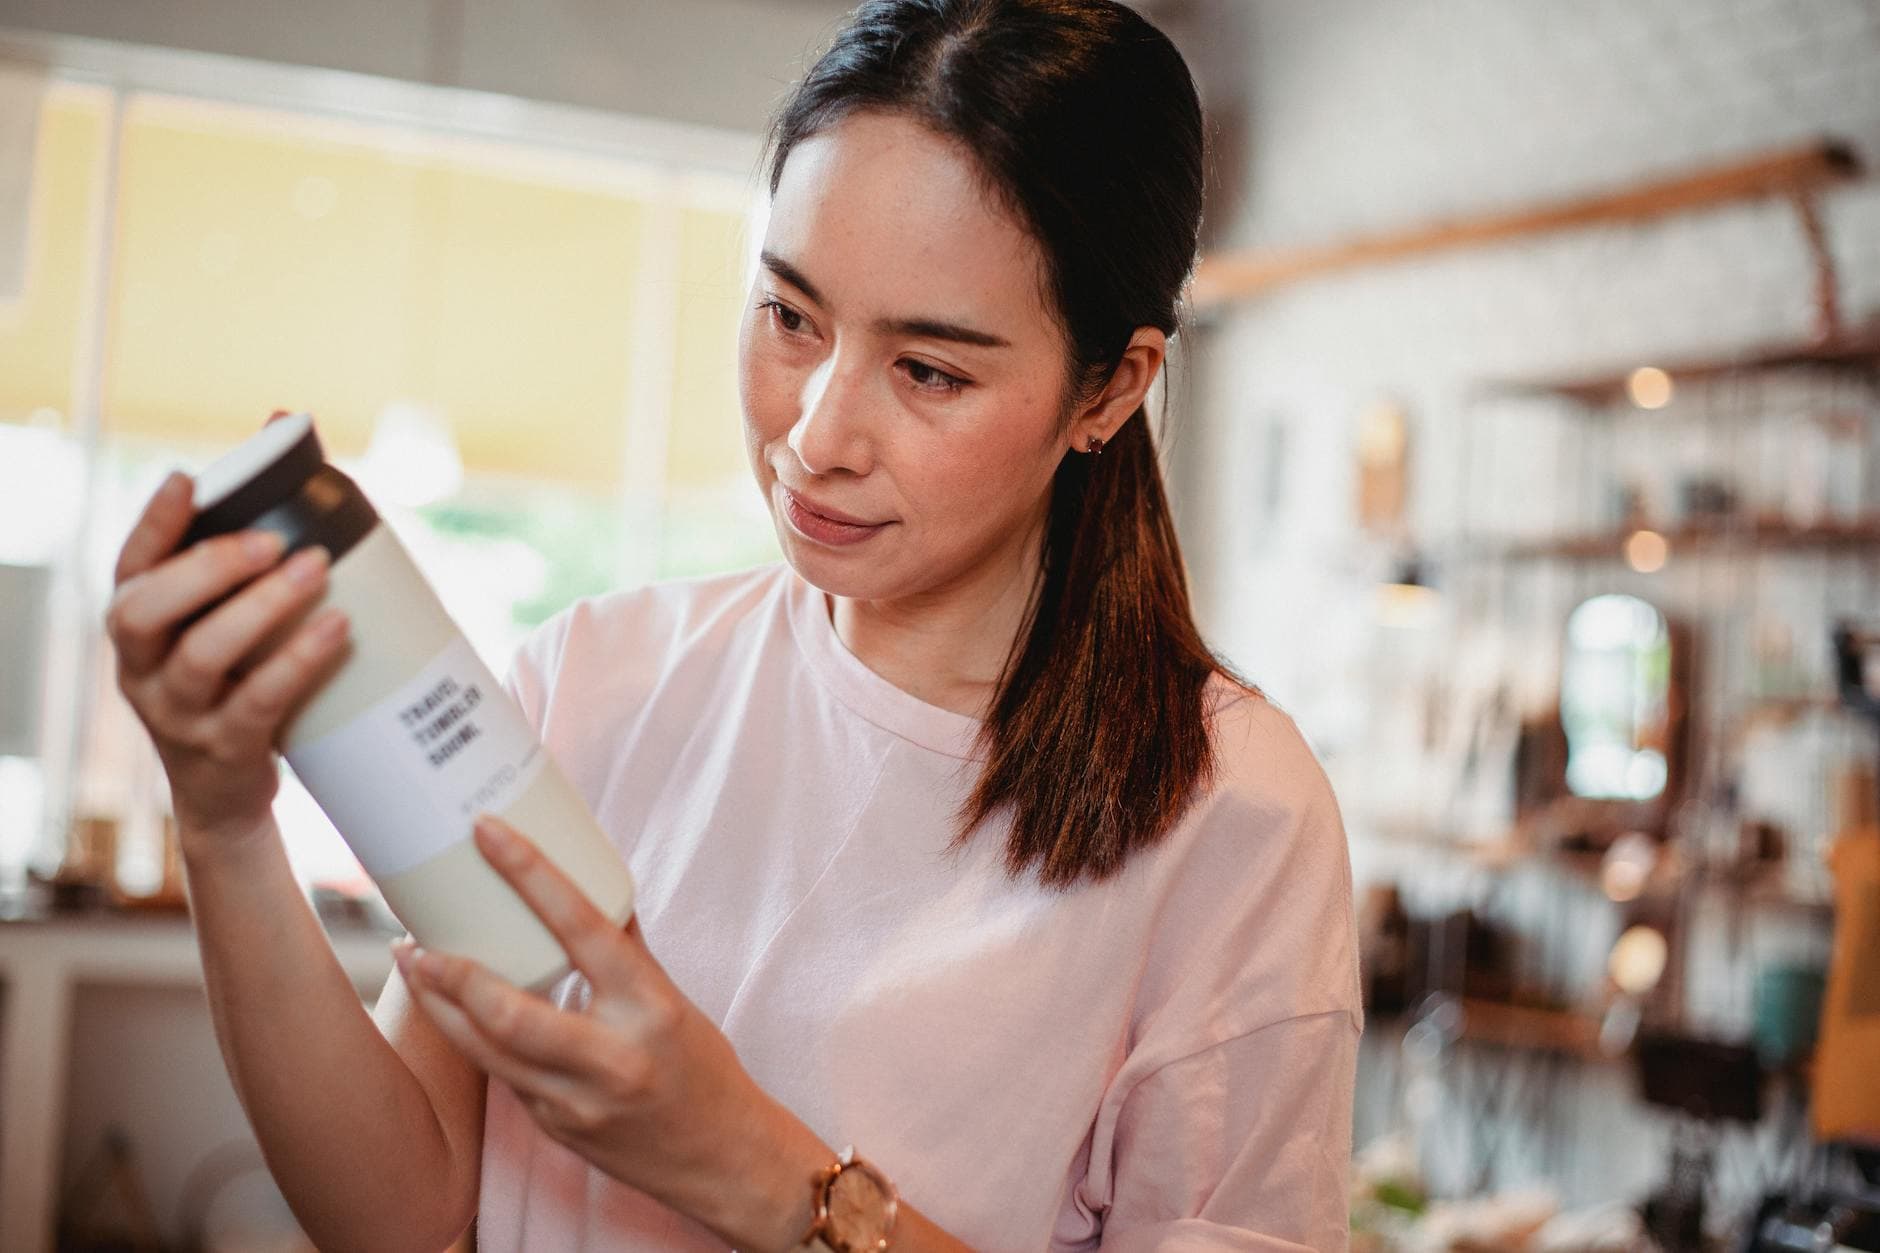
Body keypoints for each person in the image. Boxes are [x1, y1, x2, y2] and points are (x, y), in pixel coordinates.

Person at [105, 0, 1363, 1248]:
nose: (813, 435)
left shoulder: (1229, 813)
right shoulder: (595, 676)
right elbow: (396, 1209)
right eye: (788, 316)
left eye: (928, 370)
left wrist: (745, 1162)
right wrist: (223, 823)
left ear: (1110, 388)